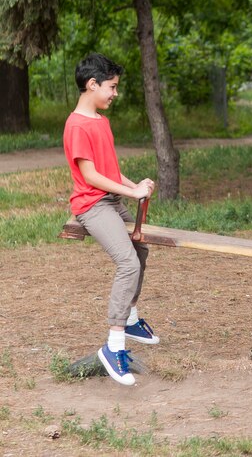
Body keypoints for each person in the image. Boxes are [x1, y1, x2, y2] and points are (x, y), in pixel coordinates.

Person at [63, 53, 159, 386]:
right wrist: (129, 194)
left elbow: (110, 170)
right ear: (93, 85)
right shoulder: (77, 125)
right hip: (92, 205)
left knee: (141, 249)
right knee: (127, 263)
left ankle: (129, 316)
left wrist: (136, 186)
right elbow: (90, 176)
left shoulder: (101, 122)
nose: (115, 93)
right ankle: (113, 346)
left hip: (111, 199)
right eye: (112, 87)